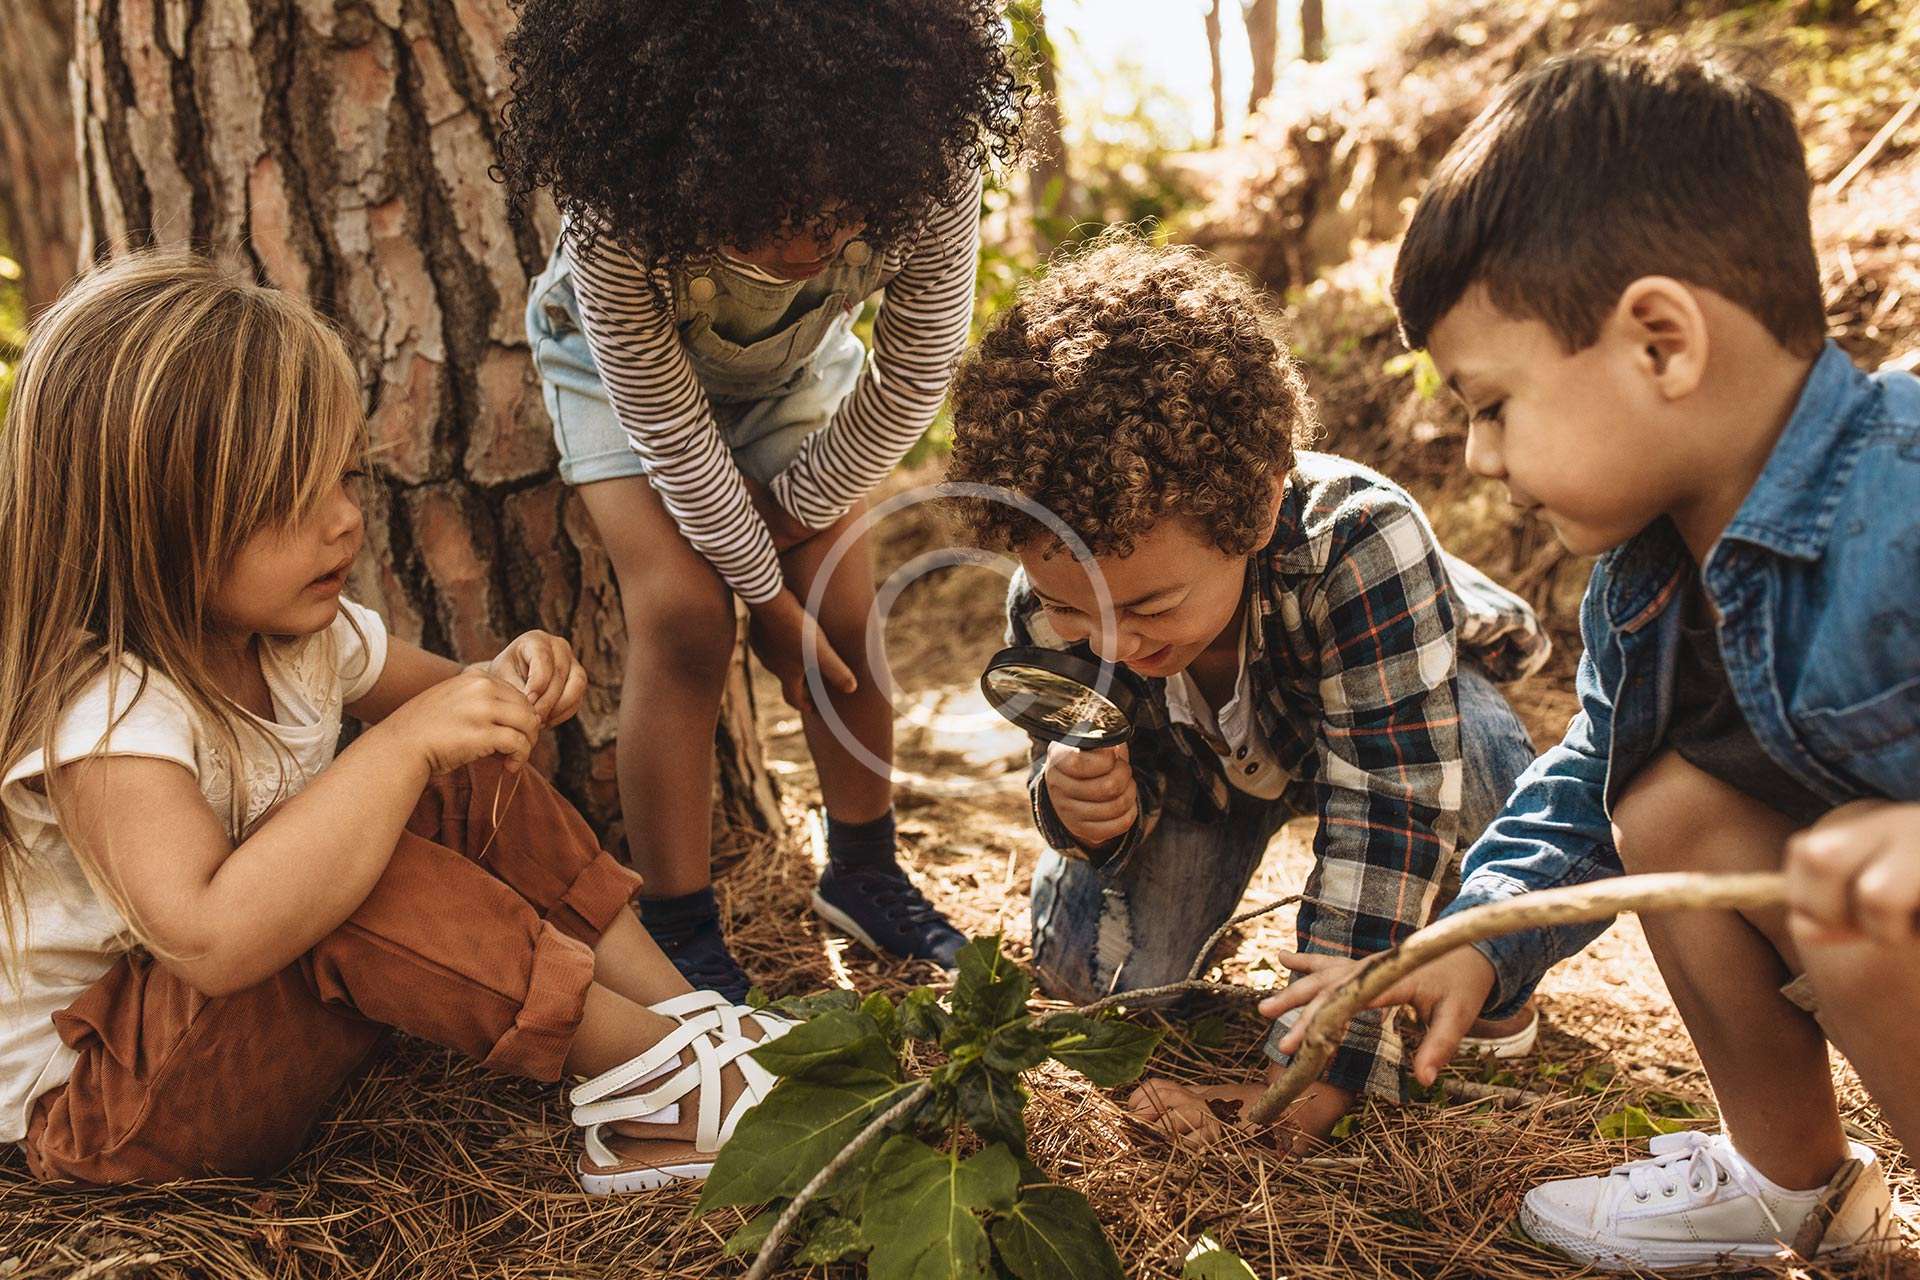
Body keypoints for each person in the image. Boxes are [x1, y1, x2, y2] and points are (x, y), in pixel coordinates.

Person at [1262, 49, 1914, 1269]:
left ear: (1661, 343)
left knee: (1864, 892)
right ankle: (1790, 1181)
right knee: (1664, 806)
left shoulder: (1905, 493)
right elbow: (1581, 783)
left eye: (1492, 404)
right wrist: (1474, 933)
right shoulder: (1644, 582)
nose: (1477, 455)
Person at [0, 253, 788, 1193]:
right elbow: (212, 940)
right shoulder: (108, 715)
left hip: (220, 1039)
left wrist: (511, 679)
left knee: (461, 776)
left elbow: (459, 708)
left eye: (343, 477)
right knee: (357, 868)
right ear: (146, 521)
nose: (344, 521)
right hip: (106, 1108)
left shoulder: (296, 637)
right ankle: (662, 1085)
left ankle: (688, 1023)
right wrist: (404, 746)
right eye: (289, 498)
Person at [942, 234, 1551, 1149]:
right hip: (1201, 782)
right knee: (1094, 980)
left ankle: (1482, 974)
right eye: (1075, 608)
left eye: (1149, 605)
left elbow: (1388, 805)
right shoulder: (1046, 601)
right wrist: (1079, 812)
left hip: (1377, 725)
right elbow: (1065, 765)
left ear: (1260, 508)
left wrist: (1314, 1070)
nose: (1112, 642)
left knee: (1483, 754)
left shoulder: (1363, 542)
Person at [495, 0, 1028, 999]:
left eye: (833, 219)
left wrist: (787, 528)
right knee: (686, 616)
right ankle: (681, 925)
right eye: (766, 218)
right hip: (619, 382)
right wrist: (765, 602)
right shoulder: (618, 207)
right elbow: (670, 432)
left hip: (793, 376)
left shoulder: (931, 163)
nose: (802, 250)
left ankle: (865, 871)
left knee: (845, 605)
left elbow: (913, 376)